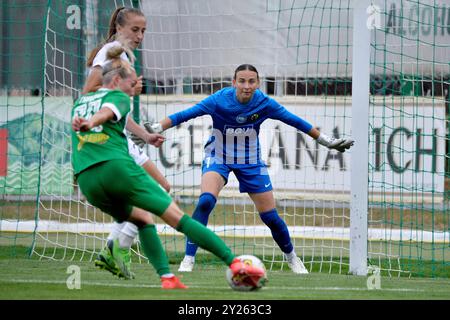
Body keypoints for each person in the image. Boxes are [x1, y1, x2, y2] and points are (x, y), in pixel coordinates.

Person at [71, 50, 265, 289]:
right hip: (116, 168)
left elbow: (108, 114)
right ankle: (235, 263)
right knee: (176, 216)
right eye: (133, 82)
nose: (136, 87)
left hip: (87, 180)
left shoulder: (81, 101)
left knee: (141, 217)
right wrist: (93, 122)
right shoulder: (119, 97)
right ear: (116, 81)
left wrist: (139, 134)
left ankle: (165, 277)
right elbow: (107, 112)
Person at [145, 64, 355, 274]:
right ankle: (188, 259)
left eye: (251, 81)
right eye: (242, 81)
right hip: (218, 157)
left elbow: (296, 121)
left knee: (270, 217)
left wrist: (326, 141)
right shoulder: (219, 100)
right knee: (206, 201)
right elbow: (185, 114)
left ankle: (292, 257)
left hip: (251, 161)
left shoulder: (264, 103)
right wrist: (155, 129)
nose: (247, 86)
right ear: (234, 82)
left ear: (258, 83)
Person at [82, 6, 169, 279]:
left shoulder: (123, 55)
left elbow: (120, 110)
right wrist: (126, 88)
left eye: (143, 30)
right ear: (119, 28)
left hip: (119, 136)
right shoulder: (109, 52)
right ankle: (114, 251)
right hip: (108, 140)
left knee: (158, 190)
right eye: (135, 29)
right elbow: (89, 92)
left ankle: (113, 251)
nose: (140, 35)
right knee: (158, 192)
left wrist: (144, 135)